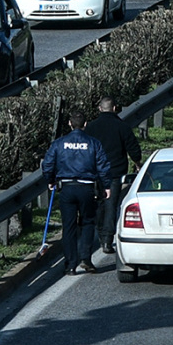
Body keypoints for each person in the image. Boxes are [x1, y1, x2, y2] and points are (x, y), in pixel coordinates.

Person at [42, 110, 111, 276]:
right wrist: (106, 186)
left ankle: (70, 265)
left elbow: (48, 164)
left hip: (66, 187)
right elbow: (103, 166)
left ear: (69, 124)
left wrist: (50, 180)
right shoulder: (94, 143)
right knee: (88, 222)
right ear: (85, 124)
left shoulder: (59, 143)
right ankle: (85, 258)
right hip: (87, 188)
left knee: (69, 226)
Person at [86, 96, 143, 254]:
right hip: (114, 172)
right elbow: (133, 148)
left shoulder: (91, 127)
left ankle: (100, 233)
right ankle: (107, 240)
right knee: (111, 205)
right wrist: (138, 164)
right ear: (115, 108)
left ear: (99, 108)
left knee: (98, 204)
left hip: (95, 171)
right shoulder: (121, 126)